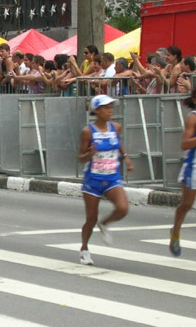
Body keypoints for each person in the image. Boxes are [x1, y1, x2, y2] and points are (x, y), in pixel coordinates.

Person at [77, 95, 134, 265]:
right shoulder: (88, 131)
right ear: (96, 110)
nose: (109, 111)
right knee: (91, 218)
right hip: (93, 180)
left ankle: (105, 223)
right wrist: (90, 153)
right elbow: (80, 157)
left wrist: (126, 157)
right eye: (105, 108)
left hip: (112, 178)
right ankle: (84, 249)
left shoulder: (116, 127)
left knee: (123, 208)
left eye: (111, 107)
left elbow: (118, 143)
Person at [170, 86, 196, 256]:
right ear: (195, 100)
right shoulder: (193, 118)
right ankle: (176, 230)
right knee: (187, 205)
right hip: (194, 166)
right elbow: (184, 144)